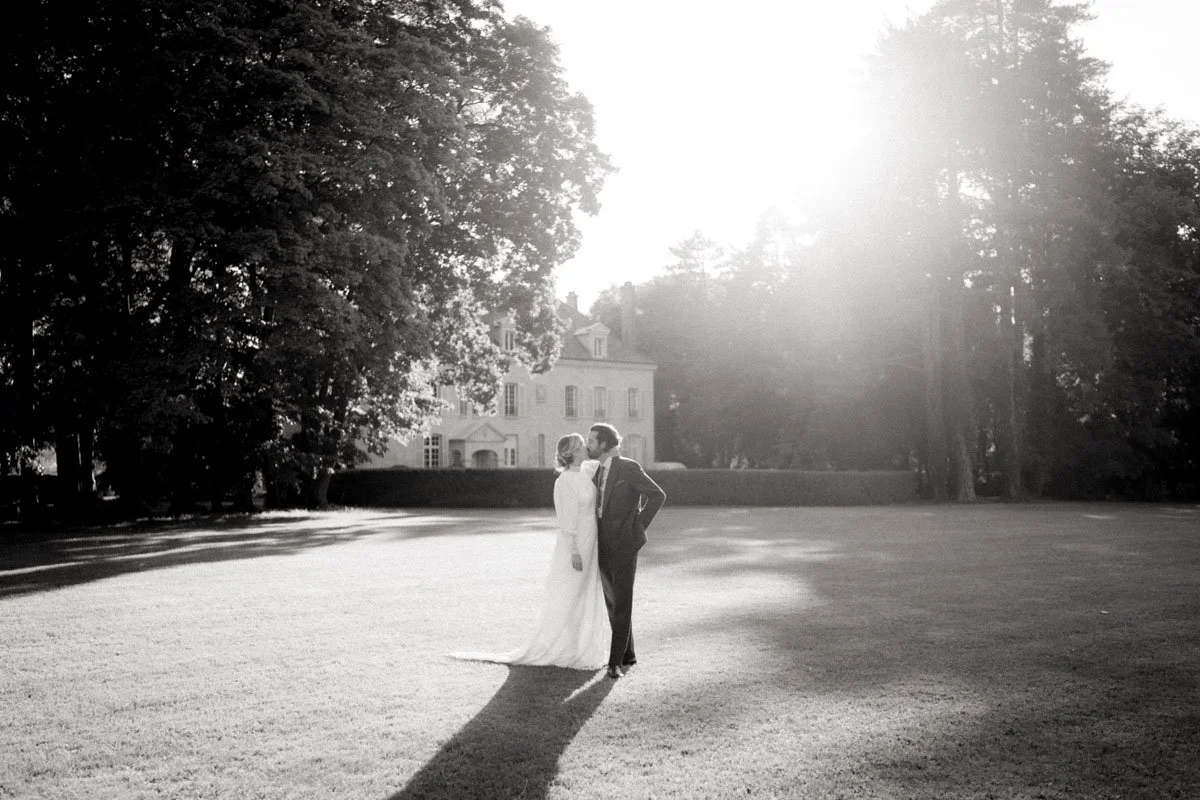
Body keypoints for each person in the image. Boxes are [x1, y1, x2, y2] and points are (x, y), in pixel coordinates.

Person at [451, 433, 609, 669]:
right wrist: (574, 551)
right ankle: (564, 647)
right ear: (570, 453)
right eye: (579, 446)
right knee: (570, 594)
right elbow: (566, 520)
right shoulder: (564, 481)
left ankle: (582, 647)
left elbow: (604, 462)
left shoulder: (586, 473)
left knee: (585, 594)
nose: (584, 448)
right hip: (576, 545)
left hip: (592, 540)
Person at [587, 423, 666, 679]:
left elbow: (657, 495)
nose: (588, 444)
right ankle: (628, 654)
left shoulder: (628, 468)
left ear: (605, 444)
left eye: (591, 440)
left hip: (624, 544)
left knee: (622, 603)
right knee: (613, 603)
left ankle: (614, 663)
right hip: (603, 545)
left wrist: (637, 526)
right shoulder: (597, 471)